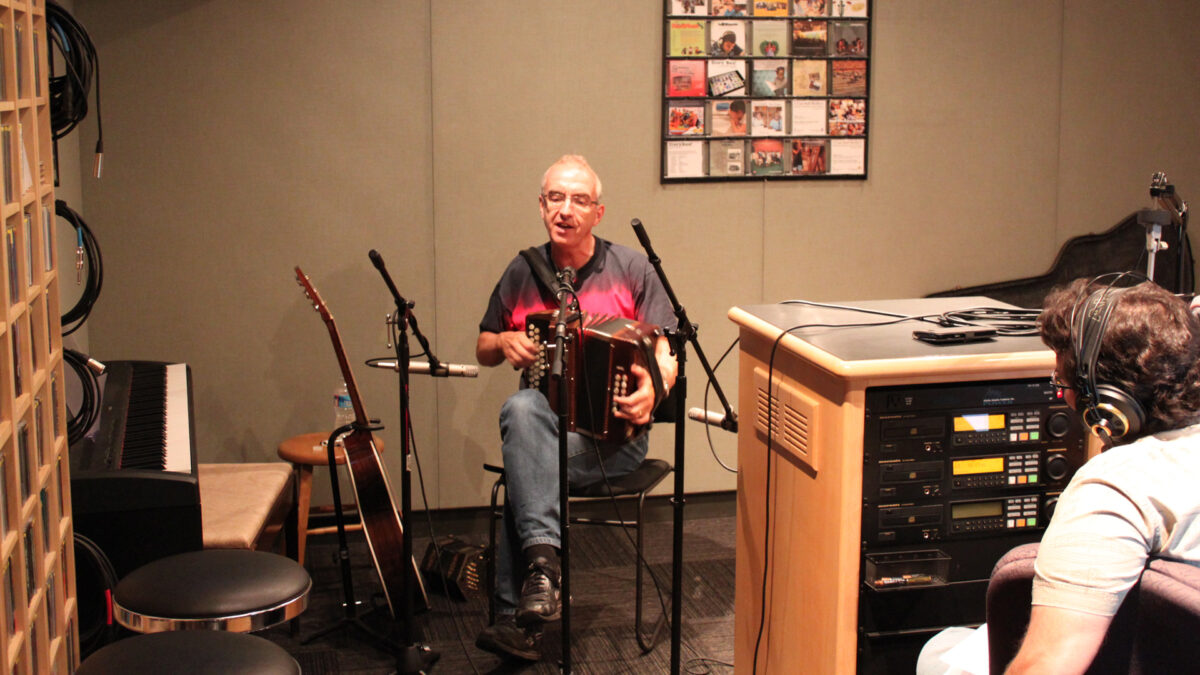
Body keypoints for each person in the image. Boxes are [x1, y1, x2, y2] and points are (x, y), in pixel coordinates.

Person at [474, 155, 678, 662]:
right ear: (541, 206)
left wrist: (654, 389)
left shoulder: (631, 268)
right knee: (523, 408)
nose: (566, 210)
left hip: (615, 444)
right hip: (544, 432)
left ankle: (514, 619)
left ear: (598, 211)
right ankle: (543, 575)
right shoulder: (522, 270)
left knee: (525, 473)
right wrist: (504, 341)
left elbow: (668, 351)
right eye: (555, 198)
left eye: (579, 200)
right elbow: (482, 346)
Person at [1005, 278, 1200, 673]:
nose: (1063, 396)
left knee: (944, 649)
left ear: (1108, 405)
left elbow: (1046, 665)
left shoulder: (1118, 486)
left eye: (1064, 383)